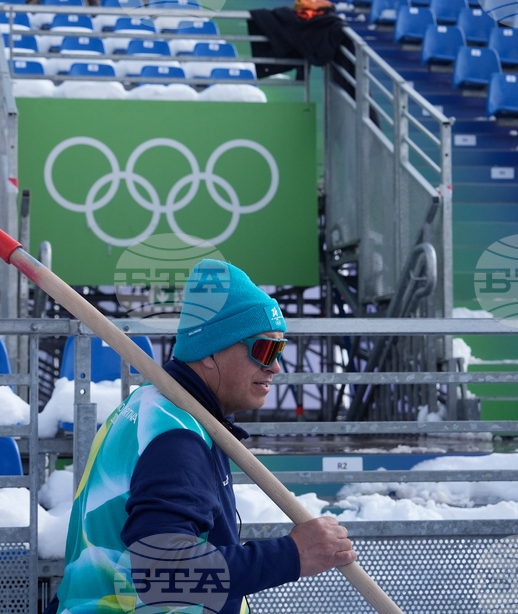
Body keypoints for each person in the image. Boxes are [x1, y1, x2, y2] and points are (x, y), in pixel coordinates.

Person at [45, 259, 357, 614]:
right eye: (265, 349)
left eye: (280, 349)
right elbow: (161, 575)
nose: (275, 366)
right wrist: (291, 555)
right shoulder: (176, 439)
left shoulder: (149, 404)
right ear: (210, 351)